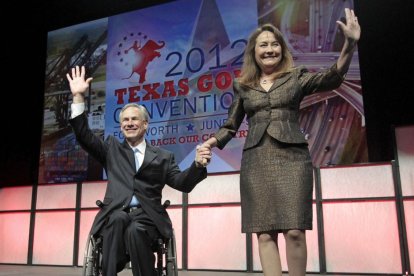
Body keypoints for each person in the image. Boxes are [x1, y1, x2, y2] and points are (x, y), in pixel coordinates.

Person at [202, 8, 360, 276]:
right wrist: (210, 143)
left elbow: (331, 78)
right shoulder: (243, 86)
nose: (269, 49)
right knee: (264, 234)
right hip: (257, 160)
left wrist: (349, 44)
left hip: (293, 159)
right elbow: (231, 125)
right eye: (263, 45)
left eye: (275, 44)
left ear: (282, 49)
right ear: (254, 51)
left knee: (295, 230)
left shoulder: (296, 76)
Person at [66, 65, 212, 276]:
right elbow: (83, 135)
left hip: (148, 217)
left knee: (136, 229)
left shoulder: (163, 156)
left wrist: (197, 165)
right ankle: (111, 269)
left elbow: (183, 183)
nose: (129, 123)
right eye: (125, 120)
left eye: (134, 119)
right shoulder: (111, 149)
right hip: (116, 213)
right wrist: (78, 96)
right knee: (118, 219)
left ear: (145, 124)